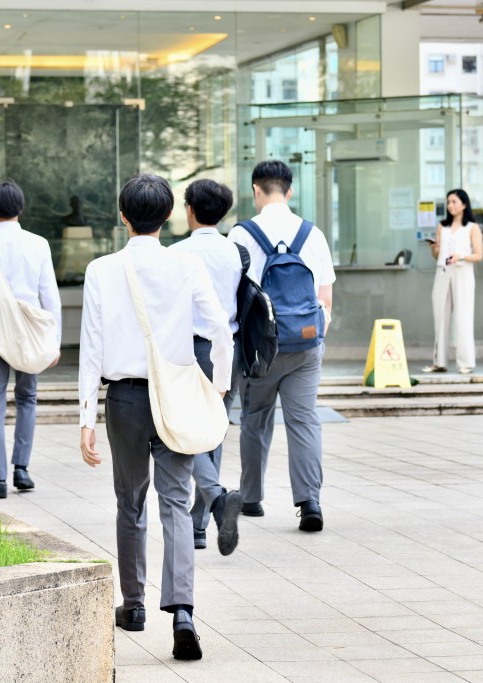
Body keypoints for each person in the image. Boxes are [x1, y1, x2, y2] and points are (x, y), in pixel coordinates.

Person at [79, 174, 235, 662]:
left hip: (124, 400)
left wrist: (85, 415)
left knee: (130, 503)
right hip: (177, 395)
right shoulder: (185, 265)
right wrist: (220, 384)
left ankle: (135, 605)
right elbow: (221, 331)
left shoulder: (102, 269)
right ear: (169, 216)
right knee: (176, 502)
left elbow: (91, 348)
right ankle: (183, 612)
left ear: (122, 216)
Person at [228, 160, 335, 531]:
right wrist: (314, 336)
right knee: (304, 420)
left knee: (254, 419)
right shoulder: (313, 234)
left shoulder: (241, 235)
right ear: (289, 192)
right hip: (305, 346)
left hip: (261, 349)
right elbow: (325, 297)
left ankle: (252, 498)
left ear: (256, 190)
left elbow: (232, 297)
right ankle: (310, 502)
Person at [0, 179, 61, 499]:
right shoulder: (38, 243)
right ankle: (22, 468)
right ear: (21, 207)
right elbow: (50, 295)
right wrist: (54, 340)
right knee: (27, 397)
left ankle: (0, 478)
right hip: (29, 329)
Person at [169, 179, 245, 552]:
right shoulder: (234, 251)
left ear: (189, 210)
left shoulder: (179, 252)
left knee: (187, 431)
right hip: (227, 348)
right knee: (213, 433)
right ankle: (200, 524)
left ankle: (214, 499)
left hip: (190, 350)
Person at [423, 189, 483, 375]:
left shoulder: (472, 227)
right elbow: (437, 255)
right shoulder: (442, 226)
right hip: (442, 272)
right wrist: (435, 249)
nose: (450, 205)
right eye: (448, 202)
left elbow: (478, 255)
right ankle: (439, 362)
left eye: (454, 202)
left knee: (463, 317)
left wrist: (461, 256)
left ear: (464, 204)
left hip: (463, 273)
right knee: (440, 316)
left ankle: (466, 362)